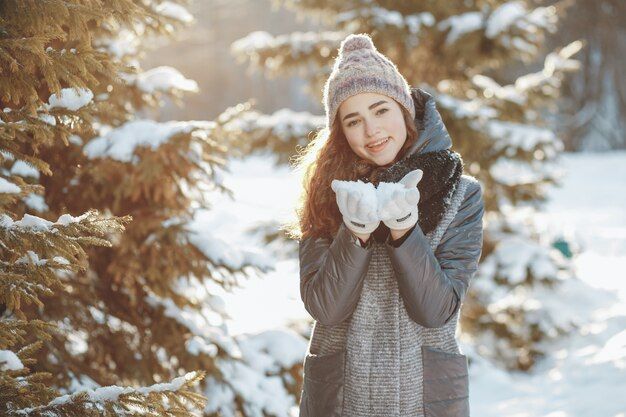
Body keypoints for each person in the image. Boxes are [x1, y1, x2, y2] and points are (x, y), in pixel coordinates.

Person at [290, 33, 484, 417]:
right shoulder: (326, 195)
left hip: (424, 395)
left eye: (381, 111)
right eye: (353, 120)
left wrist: (405, 232)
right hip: (342, 397)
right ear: (341, 132)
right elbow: (326, 309)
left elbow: (436, 310)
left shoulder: (461, 194)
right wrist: (355, 233)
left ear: (404, 108)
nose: (372, 131)